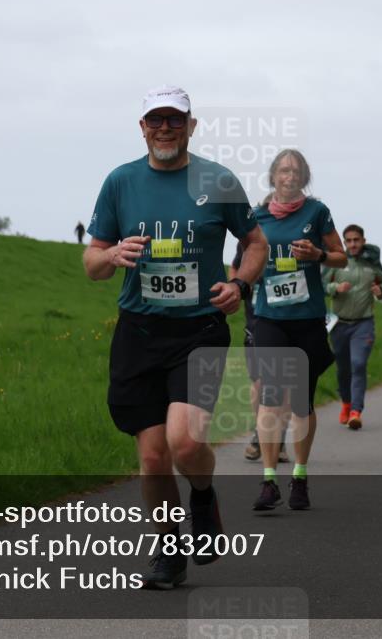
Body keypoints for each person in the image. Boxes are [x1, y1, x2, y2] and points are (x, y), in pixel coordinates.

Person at [83, 85, 267, 589]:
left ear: (191, 125)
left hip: (200, 329)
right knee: (151, 456)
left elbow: (255, 242)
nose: (165, 128)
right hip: (139, 332)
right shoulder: (120, 182)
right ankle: (169, 550)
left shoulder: (218, 180)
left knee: (185, 443)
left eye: (175, 119)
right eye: (155, 120)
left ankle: (203, 494)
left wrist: (240, 283)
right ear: (141, 127)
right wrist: (111, 256)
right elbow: (92, 261)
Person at [250, 149, 345, 511]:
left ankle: (300, 476)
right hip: (270, 318)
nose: (289, 176)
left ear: (303, 178)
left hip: (306, 319)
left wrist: (318, 255)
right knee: (271, 396)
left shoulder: (317, 213)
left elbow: (341, 256)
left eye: (295, 171)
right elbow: (245, 259)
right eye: (283, 170)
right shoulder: (256, 216)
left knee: (301, 399)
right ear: (273, 176)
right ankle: (269, 479)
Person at [322, 224, 382, 430]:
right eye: (348, 240)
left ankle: (356, 411)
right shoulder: (336, 261)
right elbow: (321, 285)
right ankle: (346, 404)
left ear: (363, 241)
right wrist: (335, 288)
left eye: (356, 240)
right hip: (339, 324)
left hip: (364, 323)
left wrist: (380, 290)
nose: (353, 244)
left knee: (358, 364)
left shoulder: (372, 263)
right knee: (343, 368)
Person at [231, 242, 288, 463]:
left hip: (285, 323)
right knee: (258, 383)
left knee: (282, 384)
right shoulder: (248, 240)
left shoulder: (290, 238)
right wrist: (235, 287)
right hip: (254, 323)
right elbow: (235, 267)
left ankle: (280, 440)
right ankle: (260, 433)